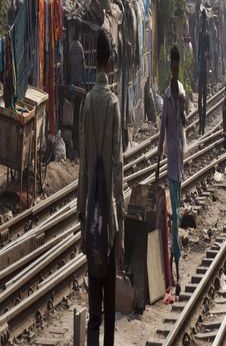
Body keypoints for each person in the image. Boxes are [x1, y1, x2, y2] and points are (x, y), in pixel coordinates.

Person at [77, 29, 124, 346]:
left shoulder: (86, 104)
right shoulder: (113, 104)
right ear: (110, 61)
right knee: (109, 305)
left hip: (89, 212)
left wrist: (81, 210)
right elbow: (117, 166)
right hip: (109, 213)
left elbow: (81, 164)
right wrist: (119, 211)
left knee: (93, 303)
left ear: (95, 60)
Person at [156, 45, 186, 290]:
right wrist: (156, 161)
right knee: (174, 216)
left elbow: (184, 122)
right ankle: (175, 266)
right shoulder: (166, 96)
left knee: (176, 214)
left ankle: (175, 265)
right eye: (172, 65)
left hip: (180, 160)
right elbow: (162, 132)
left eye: (177, 65)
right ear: (171, 66)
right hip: (170, 161)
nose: (175, 69)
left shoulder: (182, 94)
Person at [69, 26, 85, 154]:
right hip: (78, 81)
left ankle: (75, 143)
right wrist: (83, 79)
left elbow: (69, 62)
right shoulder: (79, 46)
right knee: (78, 113)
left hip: (72, 82)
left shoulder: (70, 46)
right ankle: (77, 145)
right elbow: (83, 64)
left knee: (74, 110)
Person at [198, 8, 210, 135]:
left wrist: (207, 55)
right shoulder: (200, 34)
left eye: (204, 20)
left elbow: (209, 53)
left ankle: (203, 125)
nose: (203, 22)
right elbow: (197, 52)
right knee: (200, 98)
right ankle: (201, 121)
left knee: (204, 97)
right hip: (199, 69)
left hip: (205, 70)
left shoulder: (207, 36)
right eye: (202, 20)